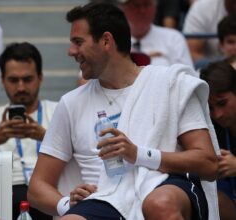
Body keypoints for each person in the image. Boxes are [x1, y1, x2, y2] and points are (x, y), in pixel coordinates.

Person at [28, 2, 219, 220]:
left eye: (78, 42)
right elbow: (37, 188)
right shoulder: (70, 103)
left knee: (160, 204)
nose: (71, 51)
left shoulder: (170, 85)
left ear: (106, 41)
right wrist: (66, 203)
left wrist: (138, 154)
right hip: (104, 199)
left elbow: (208, 163)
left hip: (164, 183)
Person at [0, 42, 56, 220]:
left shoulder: (59, 112)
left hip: (50, 193)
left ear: (40, 77)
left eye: (27, 79)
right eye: (13, 80)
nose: (21, 87)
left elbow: (81, 154)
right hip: (3, 198)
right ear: (2, 80)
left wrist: (44, 136)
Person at [200, 60, 236, 220]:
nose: (218, 114)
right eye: (211, 107)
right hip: (229, 200)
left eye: (222, 103)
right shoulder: (209, 124)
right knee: (213, 199)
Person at [117, 0, 193, 67]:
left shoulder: (174, 38)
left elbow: (188, 77)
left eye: (147, 4)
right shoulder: (114, 40)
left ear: (155, 7)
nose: (142, 10)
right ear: (122, 9)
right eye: (136, 5)